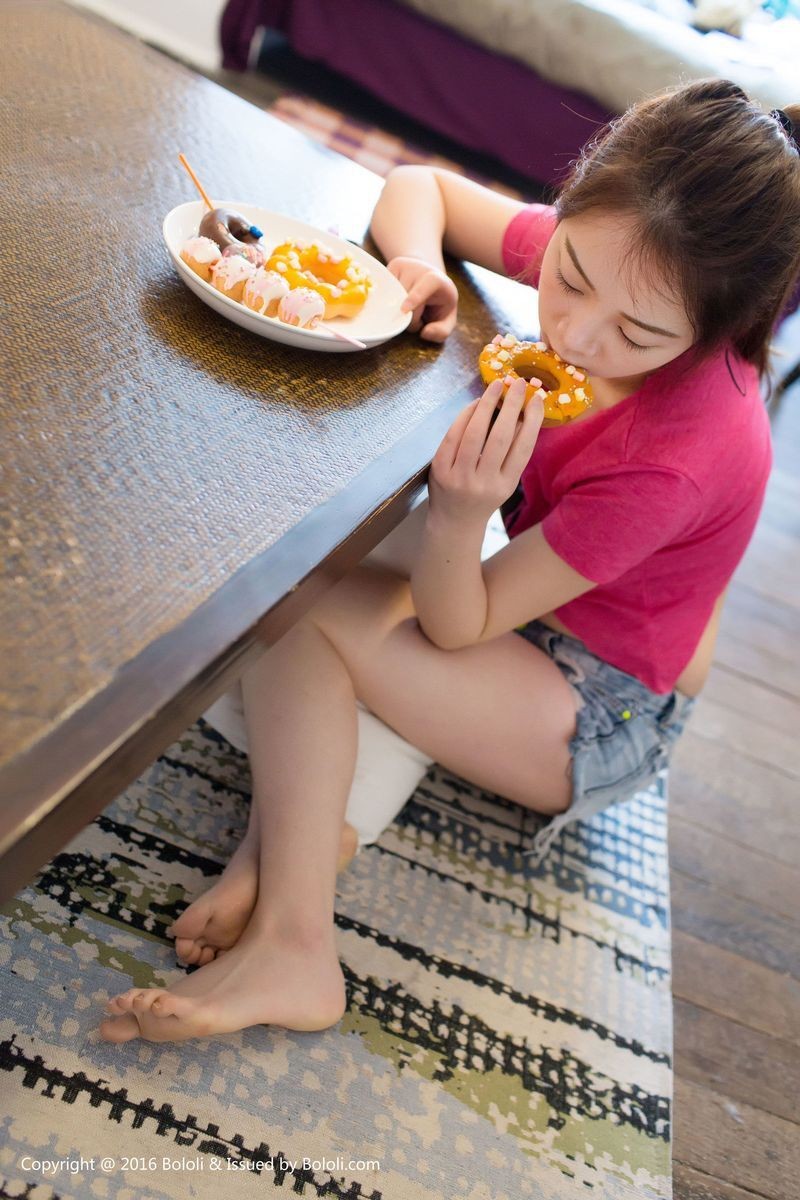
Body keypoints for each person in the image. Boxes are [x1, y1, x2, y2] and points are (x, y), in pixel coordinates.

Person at [99, 79, 799, 1044]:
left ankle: (299, 941)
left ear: (716, 334)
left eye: (637, 337)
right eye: (567, 277)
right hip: (553, 603)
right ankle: (296, 845)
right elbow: (419, 188)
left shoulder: (674, 456)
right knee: (327, 580)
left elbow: (453, 620)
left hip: (600, 703)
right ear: (577, 207)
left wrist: (463, 516)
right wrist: (421, 266)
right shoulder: (625, 247)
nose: (577, 335)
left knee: (299, 598)